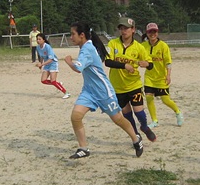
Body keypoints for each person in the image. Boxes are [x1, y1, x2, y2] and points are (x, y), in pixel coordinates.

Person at [64, 22, 143, 158]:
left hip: (103, 92)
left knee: (118, 119)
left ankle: (136, 140)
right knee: (76, 117)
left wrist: (69, 61)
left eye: (73, 34)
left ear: (82, 35)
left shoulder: (87, 49)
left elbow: (78, 67)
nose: (71, 37)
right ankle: (83, 148)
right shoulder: (86, 47)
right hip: (89, 91)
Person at [104, 17, 157, 142]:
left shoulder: (139, 47)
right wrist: (124, 65)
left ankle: (144, 127)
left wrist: (147, 64)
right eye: (121, 29)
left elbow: (150, 64)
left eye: (126, 28)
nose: (123, 31)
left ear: (133, 30)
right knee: (126, 114)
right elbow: (107, 61)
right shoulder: (113, 44)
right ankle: (136, 134)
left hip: (134, 85)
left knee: (139, 113)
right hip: (118, 87)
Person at [142, 22, 184, 127]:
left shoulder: (163, 46)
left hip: (161, 77)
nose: (152, 34)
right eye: (150, 32)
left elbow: (168, 62)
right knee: (148, 98)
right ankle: (154, 121)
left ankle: (178, 112)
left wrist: (168, 75)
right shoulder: (143, 46)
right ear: (147, 33)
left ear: (157, 32)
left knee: (165, 100)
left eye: (154, 31)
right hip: (149, 77)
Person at [35, 33, 70, 99]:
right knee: (43, 80)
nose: (38, 40)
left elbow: (51, 59)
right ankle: (58, 84)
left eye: (39, 39)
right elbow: (41, 56)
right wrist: (40, 63)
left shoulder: (47, 47)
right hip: (46, 64)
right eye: (37, 39)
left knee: (53, 81)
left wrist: (42, 64)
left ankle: (66, 93)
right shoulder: (38, 47)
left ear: (44, 40)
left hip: (53, 63)